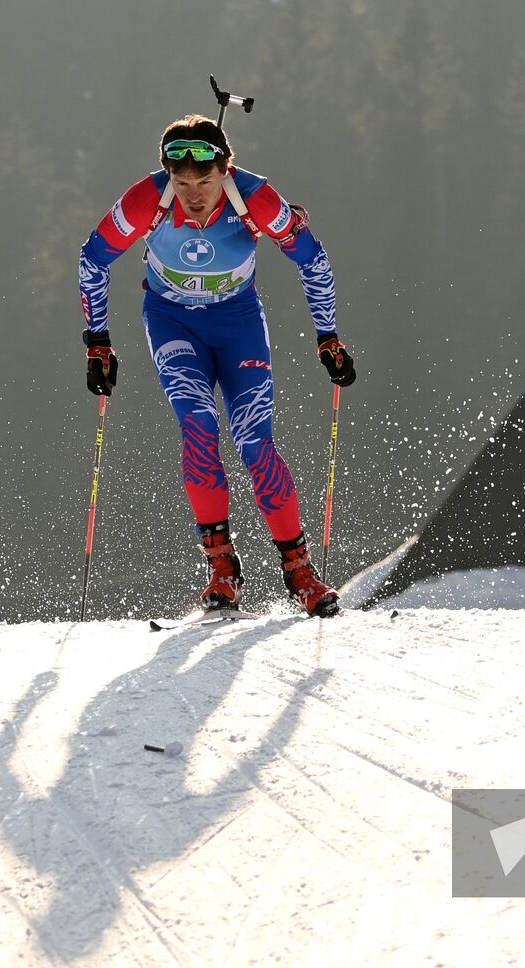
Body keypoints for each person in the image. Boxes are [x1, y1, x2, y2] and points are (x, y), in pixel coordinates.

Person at [77, 114, 356, 617]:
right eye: (181, 182)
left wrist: (328, 337)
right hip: (171, 321)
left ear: (226, 169)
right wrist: (98, 341)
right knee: (199, 425)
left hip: (238, 323)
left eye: (204, 181)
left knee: (255, 442)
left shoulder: (256, 198)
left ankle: (300, 573)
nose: (193, 194)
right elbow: (93, 258)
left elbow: (312, 259)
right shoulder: (147, 199)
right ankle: (222, 568)